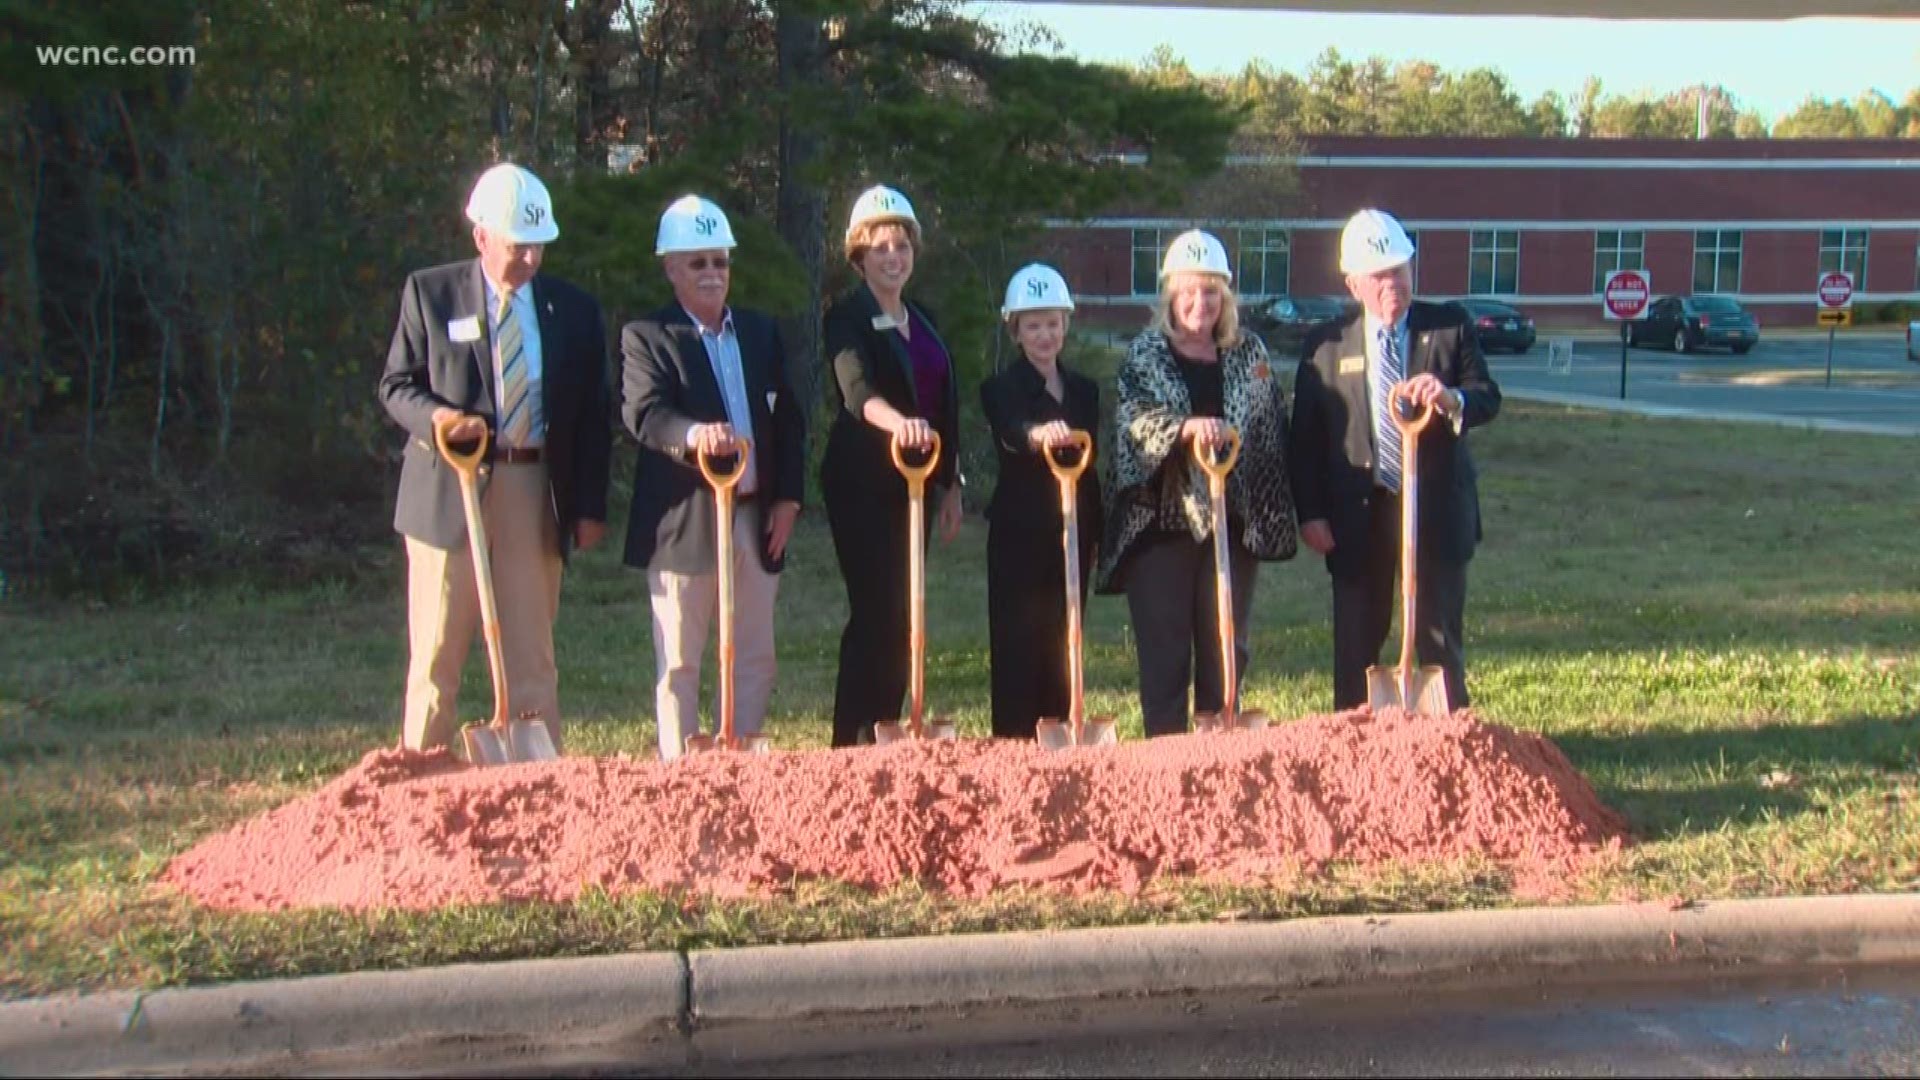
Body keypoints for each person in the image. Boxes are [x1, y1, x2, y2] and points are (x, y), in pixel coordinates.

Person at [379, 162, 612, 753]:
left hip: (532, 488)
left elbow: (591, 415)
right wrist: (440, 420)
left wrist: (586, 506)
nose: (531, 259)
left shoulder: (574, 310)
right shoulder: (431, 294)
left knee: (532, 654)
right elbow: (396, 386)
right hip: (449, 488)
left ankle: (535, 778)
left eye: (539, 246)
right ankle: (422, 775)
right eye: (518, 246)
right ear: (481, 235)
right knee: (437, 652)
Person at [1288, 208, 1502, 711]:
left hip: (1433, 509)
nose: (1392, 285)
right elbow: (1305, 441)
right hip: (1356, 515)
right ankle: (1354, 744)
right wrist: (1311, 513)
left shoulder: (1449, 327)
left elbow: (1487, 396)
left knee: (1438, 638)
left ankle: (1445, 743)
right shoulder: (1325, 346)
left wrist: (1451, 399)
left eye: (1400, 272)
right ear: (1353, 283)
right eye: (1379, 276)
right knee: (1356, 643)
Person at [619, 195, 807, 760]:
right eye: (697, 262)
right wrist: (696, 436)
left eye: (719, 262)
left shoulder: (758, 332)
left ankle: (741, 755)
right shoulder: (649, 335)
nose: (711, 274)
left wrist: (789, 500)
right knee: (681, 657)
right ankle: (681, 770)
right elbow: (644, 414)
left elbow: (789, 419)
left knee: (754, 653)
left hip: (754, 515)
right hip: (685, 520)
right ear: (671, 268)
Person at [1095, 229, 1298, 738]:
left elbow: (1272, 425)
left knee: (1226, 645)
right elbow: (1132, 423)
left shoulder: (1249, 351)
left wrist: (1275, 514)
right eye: (1188, 291)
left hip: (1231, 524)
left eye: (1210, 292)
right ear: (1169, 295)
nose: (1199, 303)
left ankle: (1220, 746)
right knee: (1165, 653)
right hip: (1163, 525)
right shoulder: (1145, 353)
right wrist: (1184, 430)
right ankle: (1167, 760)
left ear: (1226, 298)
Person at [820, 184, 963, 748]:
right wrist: (895, 422)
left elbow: (945, 403)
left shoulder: (922, 318)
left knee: (907, 615)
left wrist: (950, 482)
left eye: (901, 245)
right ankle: (853, 740)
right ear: (860, 255)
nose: (893, 256)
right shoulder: (847, 316)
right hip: (865, 482)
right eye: (880, 247)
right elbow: (857, 390)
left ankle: (890, 728)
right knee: (876, 613)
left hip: (920, 482)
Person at [979, 264, 1104, 740]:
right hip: (1019, 538)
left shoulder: (1085, 392)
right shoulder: (1001, 389)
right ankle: (1014, 743)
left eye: (1052, 323)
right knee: (1018, 646)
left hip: (1072, 535)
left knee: (1063, 640)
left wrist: (1097, 532)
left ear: (1066, 325)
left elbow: (1090, 466)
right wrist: (1037, 435)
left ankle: (1061, 734)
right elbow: (1012, 434)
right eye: (1033, 325)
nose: (1044, 335)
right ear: (1015, 330)